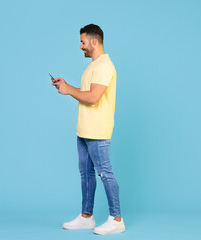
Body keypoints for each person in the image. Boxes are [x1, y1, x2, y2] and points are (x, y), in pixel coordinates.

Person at [52, 24, 125, 235]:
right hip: (84, 130)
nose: (81, 47)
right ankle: (86, 217)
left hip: (97, 130)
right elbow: (87, 93)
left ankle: (116, 219)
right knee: (86, 174)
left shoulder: (104, 66)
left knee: (105, 173)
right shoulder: (93, 66)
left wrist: (68, 90)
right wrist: (67, 86)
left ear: (94, 41)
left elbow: (93, 98)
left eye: (83, 42)